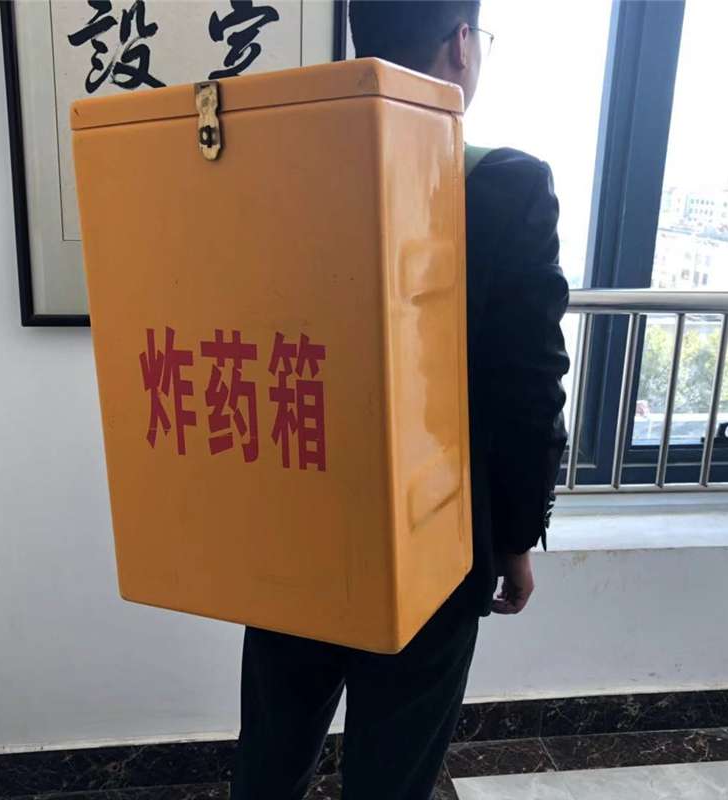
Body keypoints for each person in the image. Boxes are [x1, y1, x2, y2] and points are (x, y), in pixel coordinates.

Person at [230, 2, 570, 798]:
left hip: (299, 522)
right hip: (435, 535)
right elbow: (528, 386)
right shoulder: (506, 187)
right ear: (461, 45)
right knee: (394, 771)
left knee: (270, 755)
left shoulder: (288, 168)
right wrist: (515, 536)